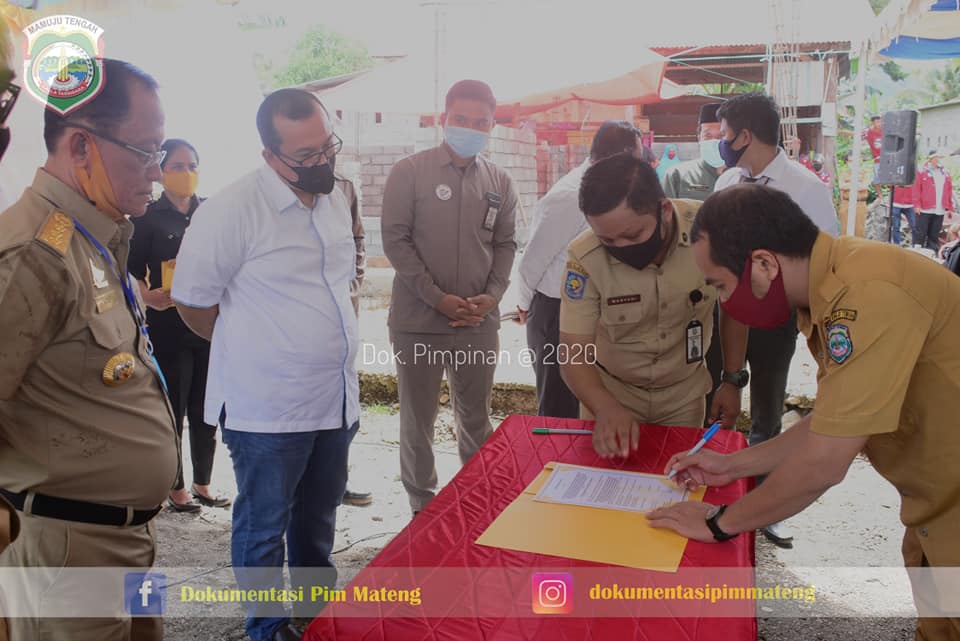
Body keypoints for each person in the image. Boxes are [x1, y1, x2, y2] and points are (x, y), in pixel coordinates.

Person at [648, 183, 960, 641]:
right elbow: (833, 420)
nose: (724, 302)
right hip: (936, 510)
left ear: (763, 264)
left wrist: (720, 522)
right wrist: (731, 465)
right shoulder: (832, 288)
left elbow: (824, 461)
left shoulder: (867, 294)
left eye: (720, 285)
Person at [0, 58, 177, 641]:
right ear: (81, 147)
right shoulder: (34, 254)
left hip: (131, 538)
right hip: (71, 551)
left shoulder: (97, 236)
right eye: (145, 152)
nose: (158, 171)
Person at [173, 89, 359, 641]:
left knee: (318, 515)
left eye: (327, 147)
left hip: (334, 398)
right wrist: (253, 346)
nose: (322, 161)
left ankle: (314, 610)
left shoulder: (334, 197)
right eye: (306, 155)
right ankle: (267, 626)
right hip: (267, 409)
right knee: (263, 523)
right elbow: (192, 301)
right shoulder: (232, 210)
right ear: (270, 155)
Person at [381, 79, 518, 514]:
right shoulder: (409, 172)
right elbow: (396, 241)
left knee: (476, 417)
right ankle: (422, 507)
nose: (470, 129)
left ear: (491, 126)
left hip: (478, 322)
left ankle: (477, 503)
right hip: (419, 322)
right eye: (461, 119)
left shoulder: (500, 181)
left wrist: (492, 296)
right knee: (418, 420)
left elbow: (506, 244)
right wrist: (437, 298)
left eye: (480, 123)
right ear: (444, 119)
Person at [559, 154, 747, 459]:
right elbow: (573, 349)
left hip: (683, 397)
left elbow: (735, 308)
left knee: (676, 480)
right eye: (608, 241)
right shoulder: (585, 258)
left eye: (633, 235)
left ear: (664, 210)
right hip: (611, 394)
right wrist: (604, 407)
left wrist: (732, 380)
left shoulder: (712, 233)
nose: (622, 248)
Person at [713, 92, 839, 549]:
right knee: (719, 403)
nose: (721, 143)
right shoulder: (727, 182)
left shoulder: (806, 189)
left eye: (725, 134)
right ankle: (719, 496)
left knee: (767, 413)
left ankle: (765, 509)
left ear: (745, 135)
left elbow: (827, 259)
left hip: (776, 318)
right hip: (727, 314)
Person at [517, 120, 648, 419]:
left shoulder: (610, 191)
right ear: (620, 158)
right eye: (637, 158)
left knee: (591, 401)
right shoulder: (570, 195)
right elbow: (531, 262)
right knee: (559, 406)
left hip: (592, 310)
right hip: (556, 313)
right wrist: (524, 305)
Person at [129, 138, 229, 514]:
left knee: (206, 406)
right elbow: (129, 269)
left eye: (192, 166)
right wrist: (147, 296)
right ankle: (176, 486)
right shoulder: (147, 217)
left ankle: (203, 482)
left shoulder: (211, 212)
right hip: (168, 325)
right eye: (177, 167)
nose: (186, 174)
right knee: (174, 407)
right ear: (161, 172)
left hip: (207, 323)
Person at [661, 103, 728, 426]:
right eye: (706, 134)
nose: (712, 140)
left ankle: (720, 431)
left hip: (731, 290)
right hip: (690, 291)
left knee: (727, 362)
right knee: (691, 361)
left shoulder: (741, 176)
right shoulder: (679, 175)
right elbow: (662, 234)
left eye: (719, 134)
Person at [337, 171, 373, 507]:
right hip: (300, 321)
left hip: (344, 311)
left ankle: (337, 481)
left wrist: (355, 281)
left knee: (346, 406)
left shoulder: (344, 185)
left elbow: (357, 238)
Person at [915, 149, 954, 252]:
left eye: (940, 157)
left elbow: (949, 190)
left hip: (939, 209)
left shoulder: (945, 173)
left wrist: (950, 207)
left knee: (934, 234)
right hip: (924, 209)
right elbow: (916, 189)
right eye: (937, 157)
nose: (939, 159)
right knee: (920, 233)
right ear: (931, 159)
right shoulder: (921, 171)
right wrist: (917, 205)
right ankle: (917, 252)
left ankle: (931, 253)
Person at [891, 180, 917, 247]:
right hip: (896, 203)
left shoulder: (914, 174)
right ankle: (896, 246)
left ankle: (915, 246)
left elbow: (917, 185)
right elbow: (889, 185)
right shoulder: (895, 174)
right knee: (896, 227)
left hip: (910, 204)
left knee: (915, 226)